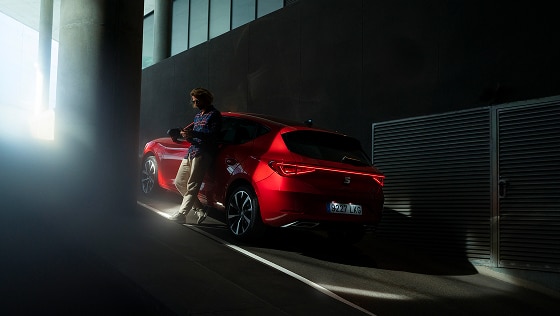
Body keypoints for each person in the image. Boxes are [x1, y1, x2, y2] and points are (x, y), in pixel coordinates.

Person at [169, 88, 222, 224]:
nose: (195, 103)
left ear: (205, 99)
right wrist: (187, 136)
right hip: (192, 151)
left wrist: (194, 134)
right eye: (193, 101)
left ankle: (181, 214)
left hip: (203, 153)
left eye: (197, 100)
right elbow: (195, 138)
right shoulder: (198, 116)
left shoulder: (214, 115)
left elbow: (213, 136)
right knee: (179, 182)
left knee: (192, 184)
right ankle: (199, 209)